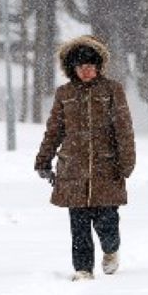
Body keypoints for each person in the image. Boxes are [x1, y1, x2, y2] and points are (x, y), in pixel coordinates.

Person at [35, 35, 136, 281]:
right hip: (73, 172)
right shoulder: (64, 94)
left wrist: (126, 161)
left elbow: (123, 128)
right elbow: (54, 130)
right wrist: (43, 160)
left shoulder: (112, 90)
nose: (86, 71)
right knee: (78, 226)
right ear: (73, 68)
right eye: (81, 66)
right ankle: (83, 269)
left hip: (106, 170)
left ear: (99, 66)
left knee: (107, 223)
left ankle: (111, 250)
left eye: (91, 66)